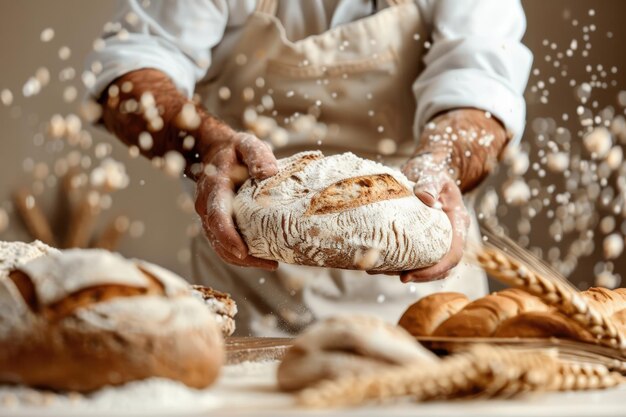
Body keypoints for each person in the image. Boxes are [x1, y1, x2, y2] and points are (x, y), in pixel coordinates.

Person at [88, 0, 532, 336]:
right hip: (250, 289)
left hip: (425, 307)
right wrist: (210, 147)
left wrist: (442, 162)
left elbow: (482, 86)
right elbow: (132, 68)